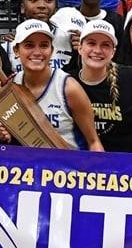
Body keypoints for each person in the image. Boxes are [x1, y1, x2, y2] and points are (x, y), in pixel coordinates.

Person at [8, 19, 103, 152]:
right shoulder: (12, 85)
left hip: (68, 169)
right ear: (16, 50)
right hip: (28, 168)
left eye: (44, 45)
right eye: (29, 45)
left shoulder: (68, 87)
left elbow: (93, 141)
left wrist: (98, 170)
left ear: (52, 50)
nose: (37, 52)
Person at [75, 19, 132, 153]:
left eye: (105, 45)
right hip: (80, 169)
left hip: (128, 169)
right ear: (80, 48)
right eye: (91, 43)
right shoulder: (67, 82)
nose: (97, 50)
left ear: (113, 52)